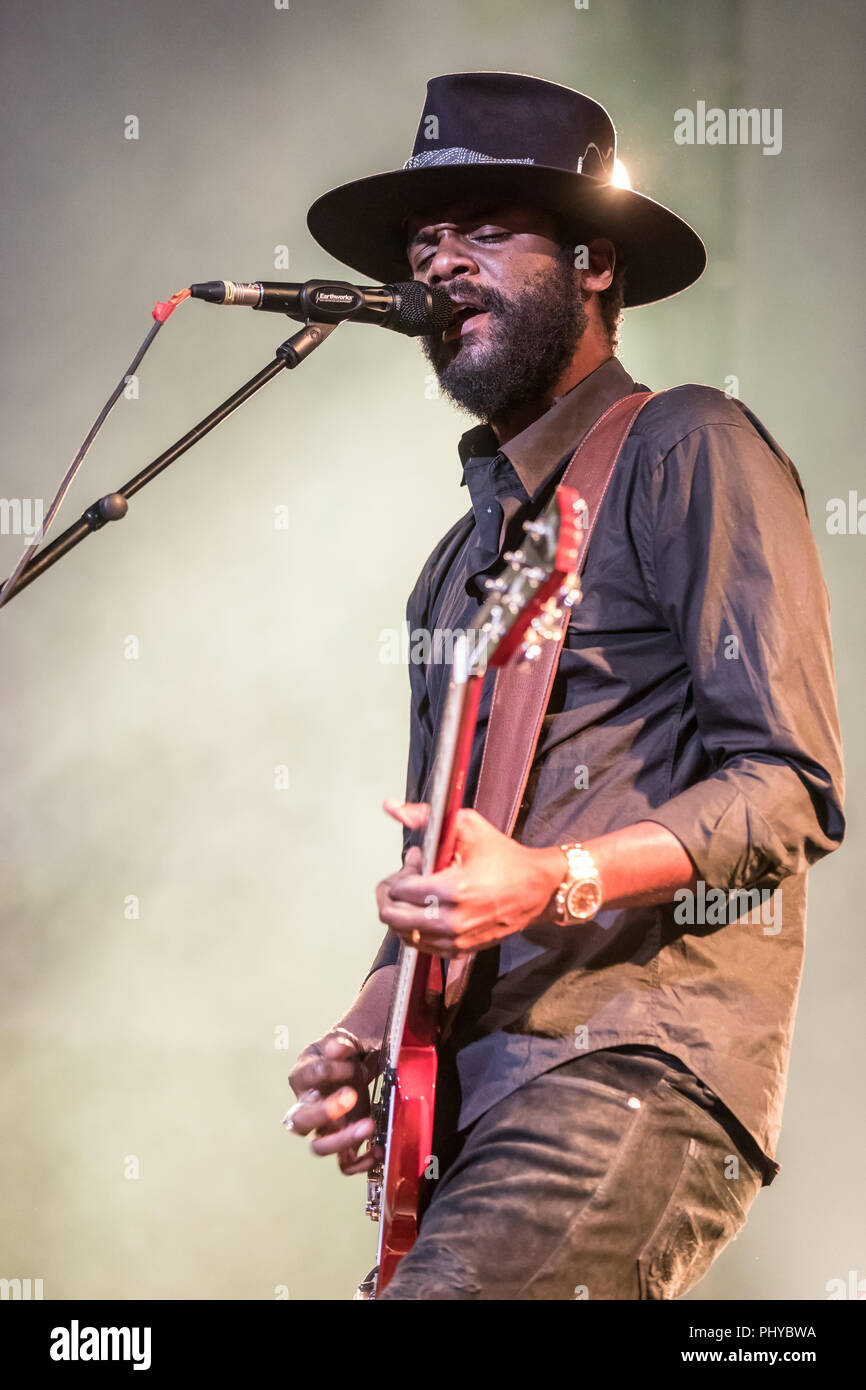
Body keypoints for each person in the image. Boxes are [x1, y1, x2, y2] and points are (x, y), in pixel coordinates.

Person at [284, 71, 845, 1300]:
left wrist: (555, 879)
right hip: (474, 1099)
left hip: (632, 1064)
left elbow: (791, 787)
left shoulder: (688, 446)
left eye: (485, 232)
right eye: (427, 243)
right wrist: (372, 1027)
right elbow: (454, 862)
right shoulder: (454, 565)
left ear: (595, 261)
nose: (441, 266)